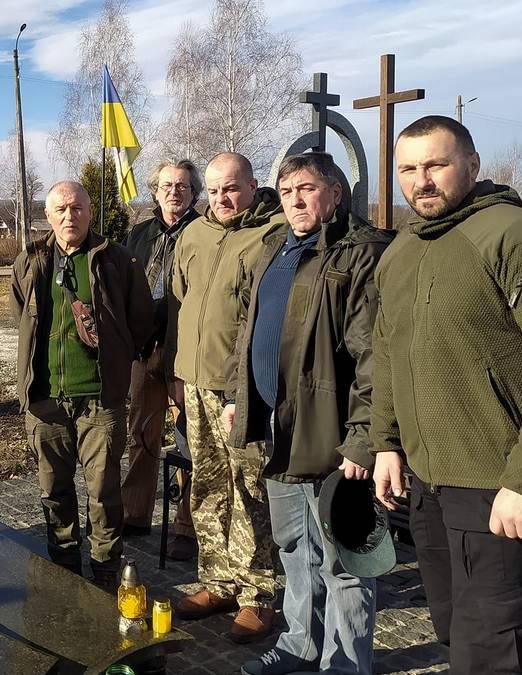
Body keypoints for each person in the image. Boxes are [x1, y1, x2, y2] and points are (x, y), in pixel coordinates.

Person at [371, 115, 522, 673]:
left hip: (497, 483)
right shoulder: (401, 251)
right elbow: (387, 354)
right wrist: (385, 443)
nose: (421, 180)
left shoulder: (519, 237)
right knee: (454, 630)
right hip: (427, 485)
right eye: (408, 169)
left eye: (436, 165)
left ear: (472, 165)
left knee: (492, 648)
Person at [221, 152, 393, 674]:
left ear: (335, 193)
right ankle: (301, 644)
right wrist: (236, 396)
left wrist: (363, 440)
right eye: (286, 190)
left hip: (333, 434)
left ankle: (345, 665)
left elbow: (374, 359)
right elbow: (249, 329)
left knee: (344, 559)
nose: (295, 200)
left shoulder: (361, 253)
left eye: (307, 188)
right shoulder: (275, 247)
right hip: (280, 429)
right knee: (295, 546)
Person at [10, 180, 154, 587]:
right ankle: (65, 568)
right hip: (45, 401)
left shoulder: (118, 261)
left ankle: (106, 570)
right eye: (60, 209)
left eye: (77, 208)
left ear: (90, 212)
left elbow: (141, 320)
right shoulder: (30, 261)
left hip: (99, 400)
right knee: (54, 491)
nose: (69, 216)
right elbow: (21, 316)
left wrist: (116, 358)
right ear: (48, 216)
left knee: (104, 492)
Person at [165, 152, 282, 643]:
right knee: (208, 485)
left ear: (253, 185)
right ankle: (218, 581)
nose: (222, 199)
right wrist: (177, 371)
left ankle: (257, 593)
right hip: (194, 382)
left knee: (248, 488)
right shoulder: (193, 233)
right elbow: (181, 298)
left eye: (231, 188)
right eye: (213, 191)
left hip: (242, 389)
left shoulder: (272, 235)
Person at [119, 159, 200, 560]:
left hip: (186, 347)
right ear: (155, 191)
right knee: (141, 431)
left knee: (190, 437)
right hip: (144, 347)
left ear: (193, 192)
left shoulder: (204, 232)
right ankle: (134, 513)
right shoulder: (139, 234)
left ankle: (187, 524)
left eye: (182, 185)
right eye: (167, 185)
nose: (174, 192)